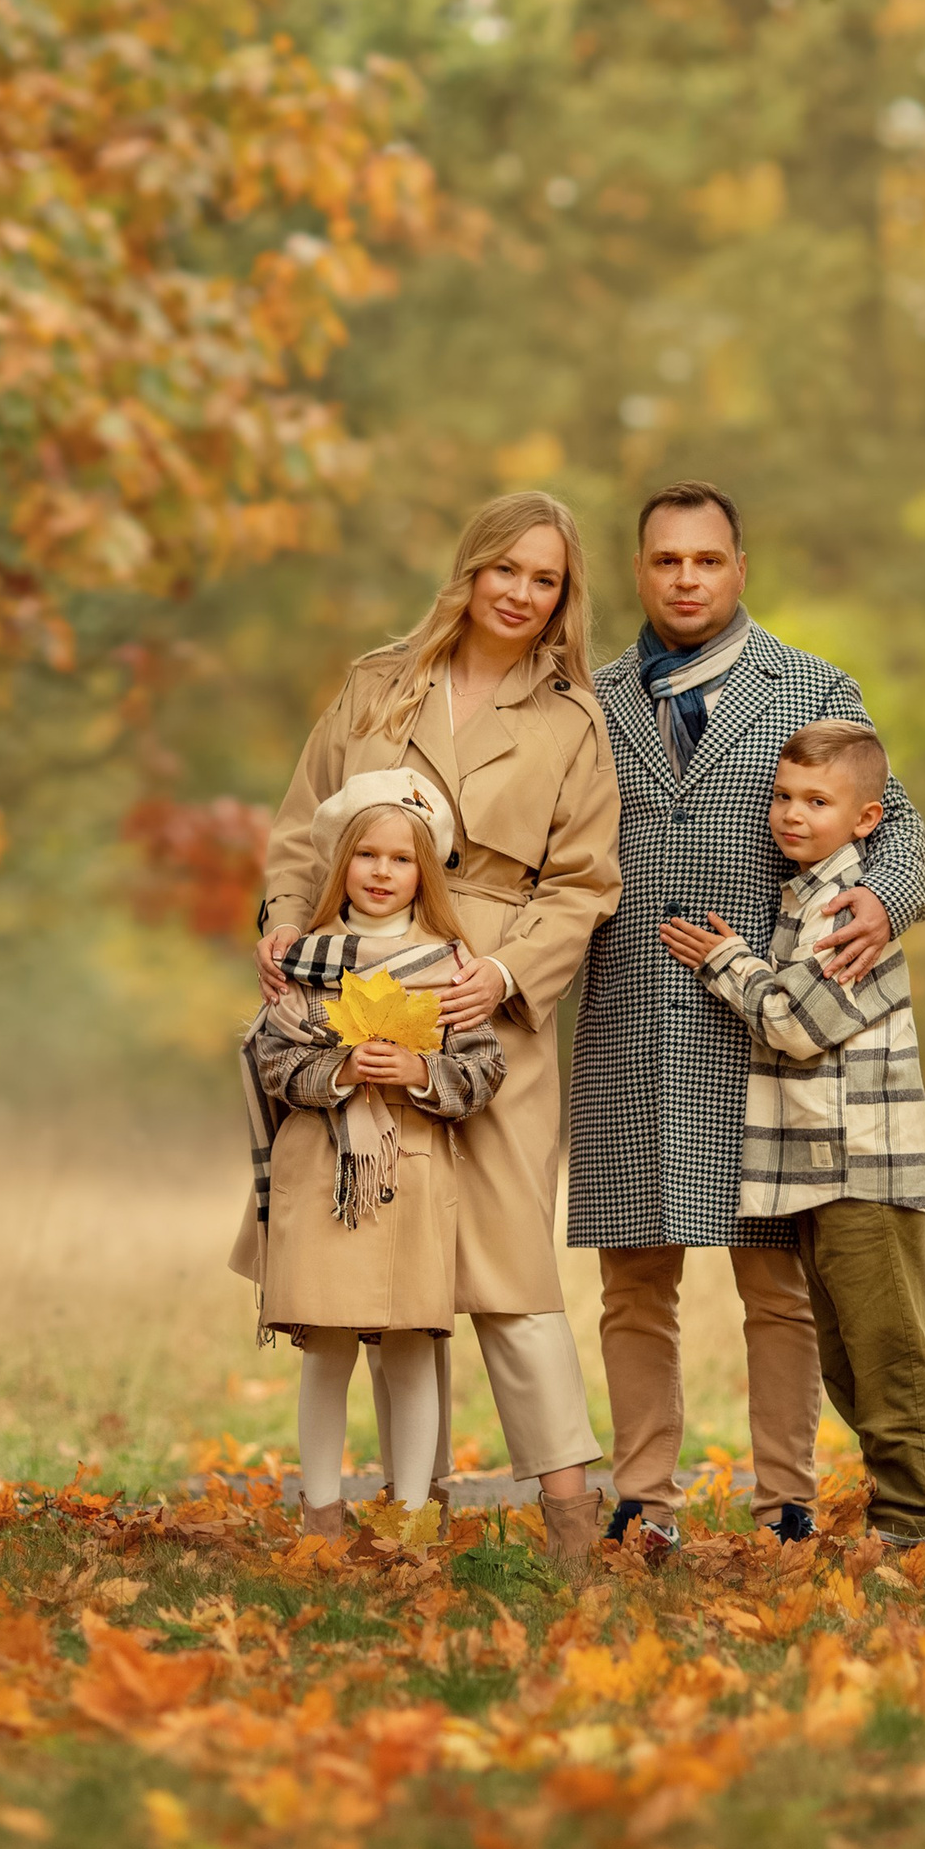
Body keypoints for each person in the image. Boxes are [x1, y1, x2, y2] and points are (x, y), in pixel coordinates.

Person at [256, 493, 621, 1568]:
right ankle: (415, 1507)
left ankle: (568, 1512)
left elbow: (585, 882)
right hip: (354, 978)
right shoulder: (377, 685)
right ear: (469, 571)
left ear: (564, 598)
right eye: (504, 569)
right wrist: (283, 927)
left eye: (544, 578)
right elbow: (296, 829)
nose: (520, 593)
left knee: (507, 1259)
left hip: (485, 998)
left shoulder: (572, 721)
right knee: (370, 1240)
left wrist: (503, 972)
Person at [569, 481, 925, 1556]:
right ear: (639, 571)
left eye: (707, 560)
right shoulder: (591, 702)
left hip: (767, 1037)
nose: (687, 579)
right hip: (629, 1017)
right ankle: (644, 1499)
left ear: (739, 568)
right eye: (666, 561)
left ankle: (785, 1501)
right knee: (633, 1280)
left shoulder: (810, 686)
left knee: (776, 1284)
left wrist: (884, 894)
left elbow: (896, 821)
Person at [660, 721, 925, 1543]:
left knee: (890, 1351)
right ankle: (896, 1513)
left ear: (866, 818)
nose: (792, 814)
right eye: (783, 797)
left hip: (868, 1168)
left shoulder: (850, 905)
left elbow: (795, 1021)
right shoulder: (804, 891)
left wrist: (726, 960)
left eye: (817, 801)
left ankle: (913, 1521)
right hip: (822, 1173)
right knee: (848, 1356)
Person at [235, 779, 508, 1532]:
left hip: (410, 1175)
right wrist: (339, 1072)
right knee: (325, 1347)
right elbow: (272, 1063)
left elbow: (484, 1068)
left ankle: (412, 1516)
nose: (382, 871)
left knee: (409, 1345)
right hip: (317, 1168)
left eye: (401, 857)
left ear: (426, 871)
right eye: (366, 854)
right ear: (339, 863)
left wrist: (420, 1072)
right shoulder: (299, 965)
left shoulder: (448, 965)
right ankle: (319, 1513)